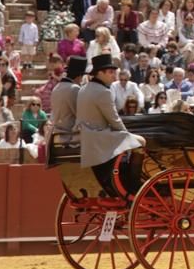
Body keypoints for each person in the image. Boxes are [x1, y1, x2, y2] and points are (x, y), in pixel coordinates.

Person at [77, 54, 145, 196]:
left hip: (87, 136)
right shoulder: (103, 92)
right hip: (99, 138)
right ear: (99, 73)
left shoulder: (83, 89)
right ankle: (134, 185)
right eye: (110, 72)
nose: (114, 76)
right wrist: (127, 136)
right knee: (140, 142)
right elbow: (114, 120)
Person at [49, 55, 87, 136]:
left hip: (56, 133)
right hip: (70, 136)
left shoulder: (57, 87)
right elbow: (80, 114)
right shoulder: (74, 88)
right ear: (80, 76)